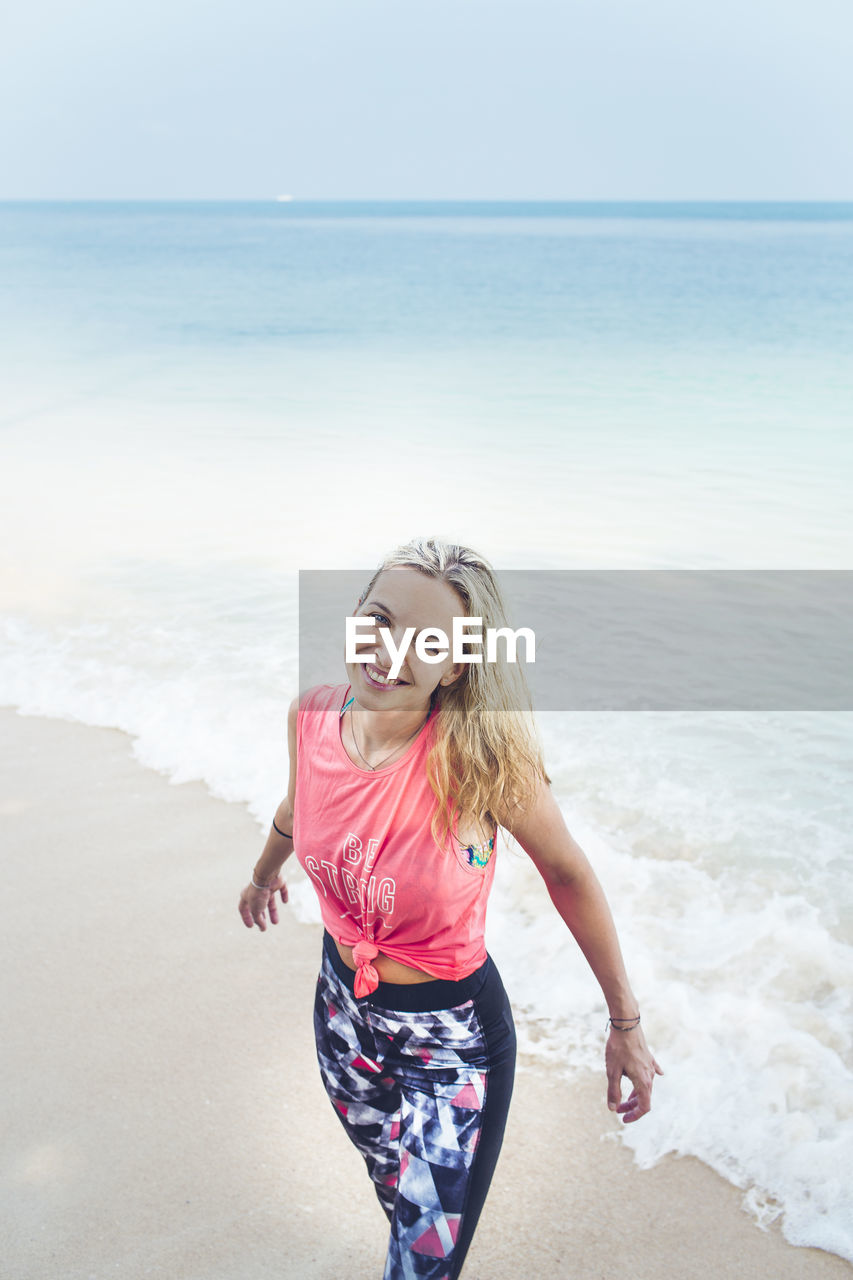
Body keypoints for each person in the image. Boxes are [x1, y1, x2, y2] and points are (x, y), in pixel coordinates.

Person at [238, 537, 662, 1280]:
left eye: (426, 639)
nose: (389, 650)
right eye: (378, 617)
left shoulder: (478, 756)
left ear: (457, 663)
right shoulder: (311, 716)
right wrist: (263, 873)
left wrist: (623, 1022)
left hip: (452, 1043)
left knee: (421, 1263)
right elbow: (298, 802)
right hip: (342, 1012)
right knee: (397, 1196)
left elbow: (566, 872)